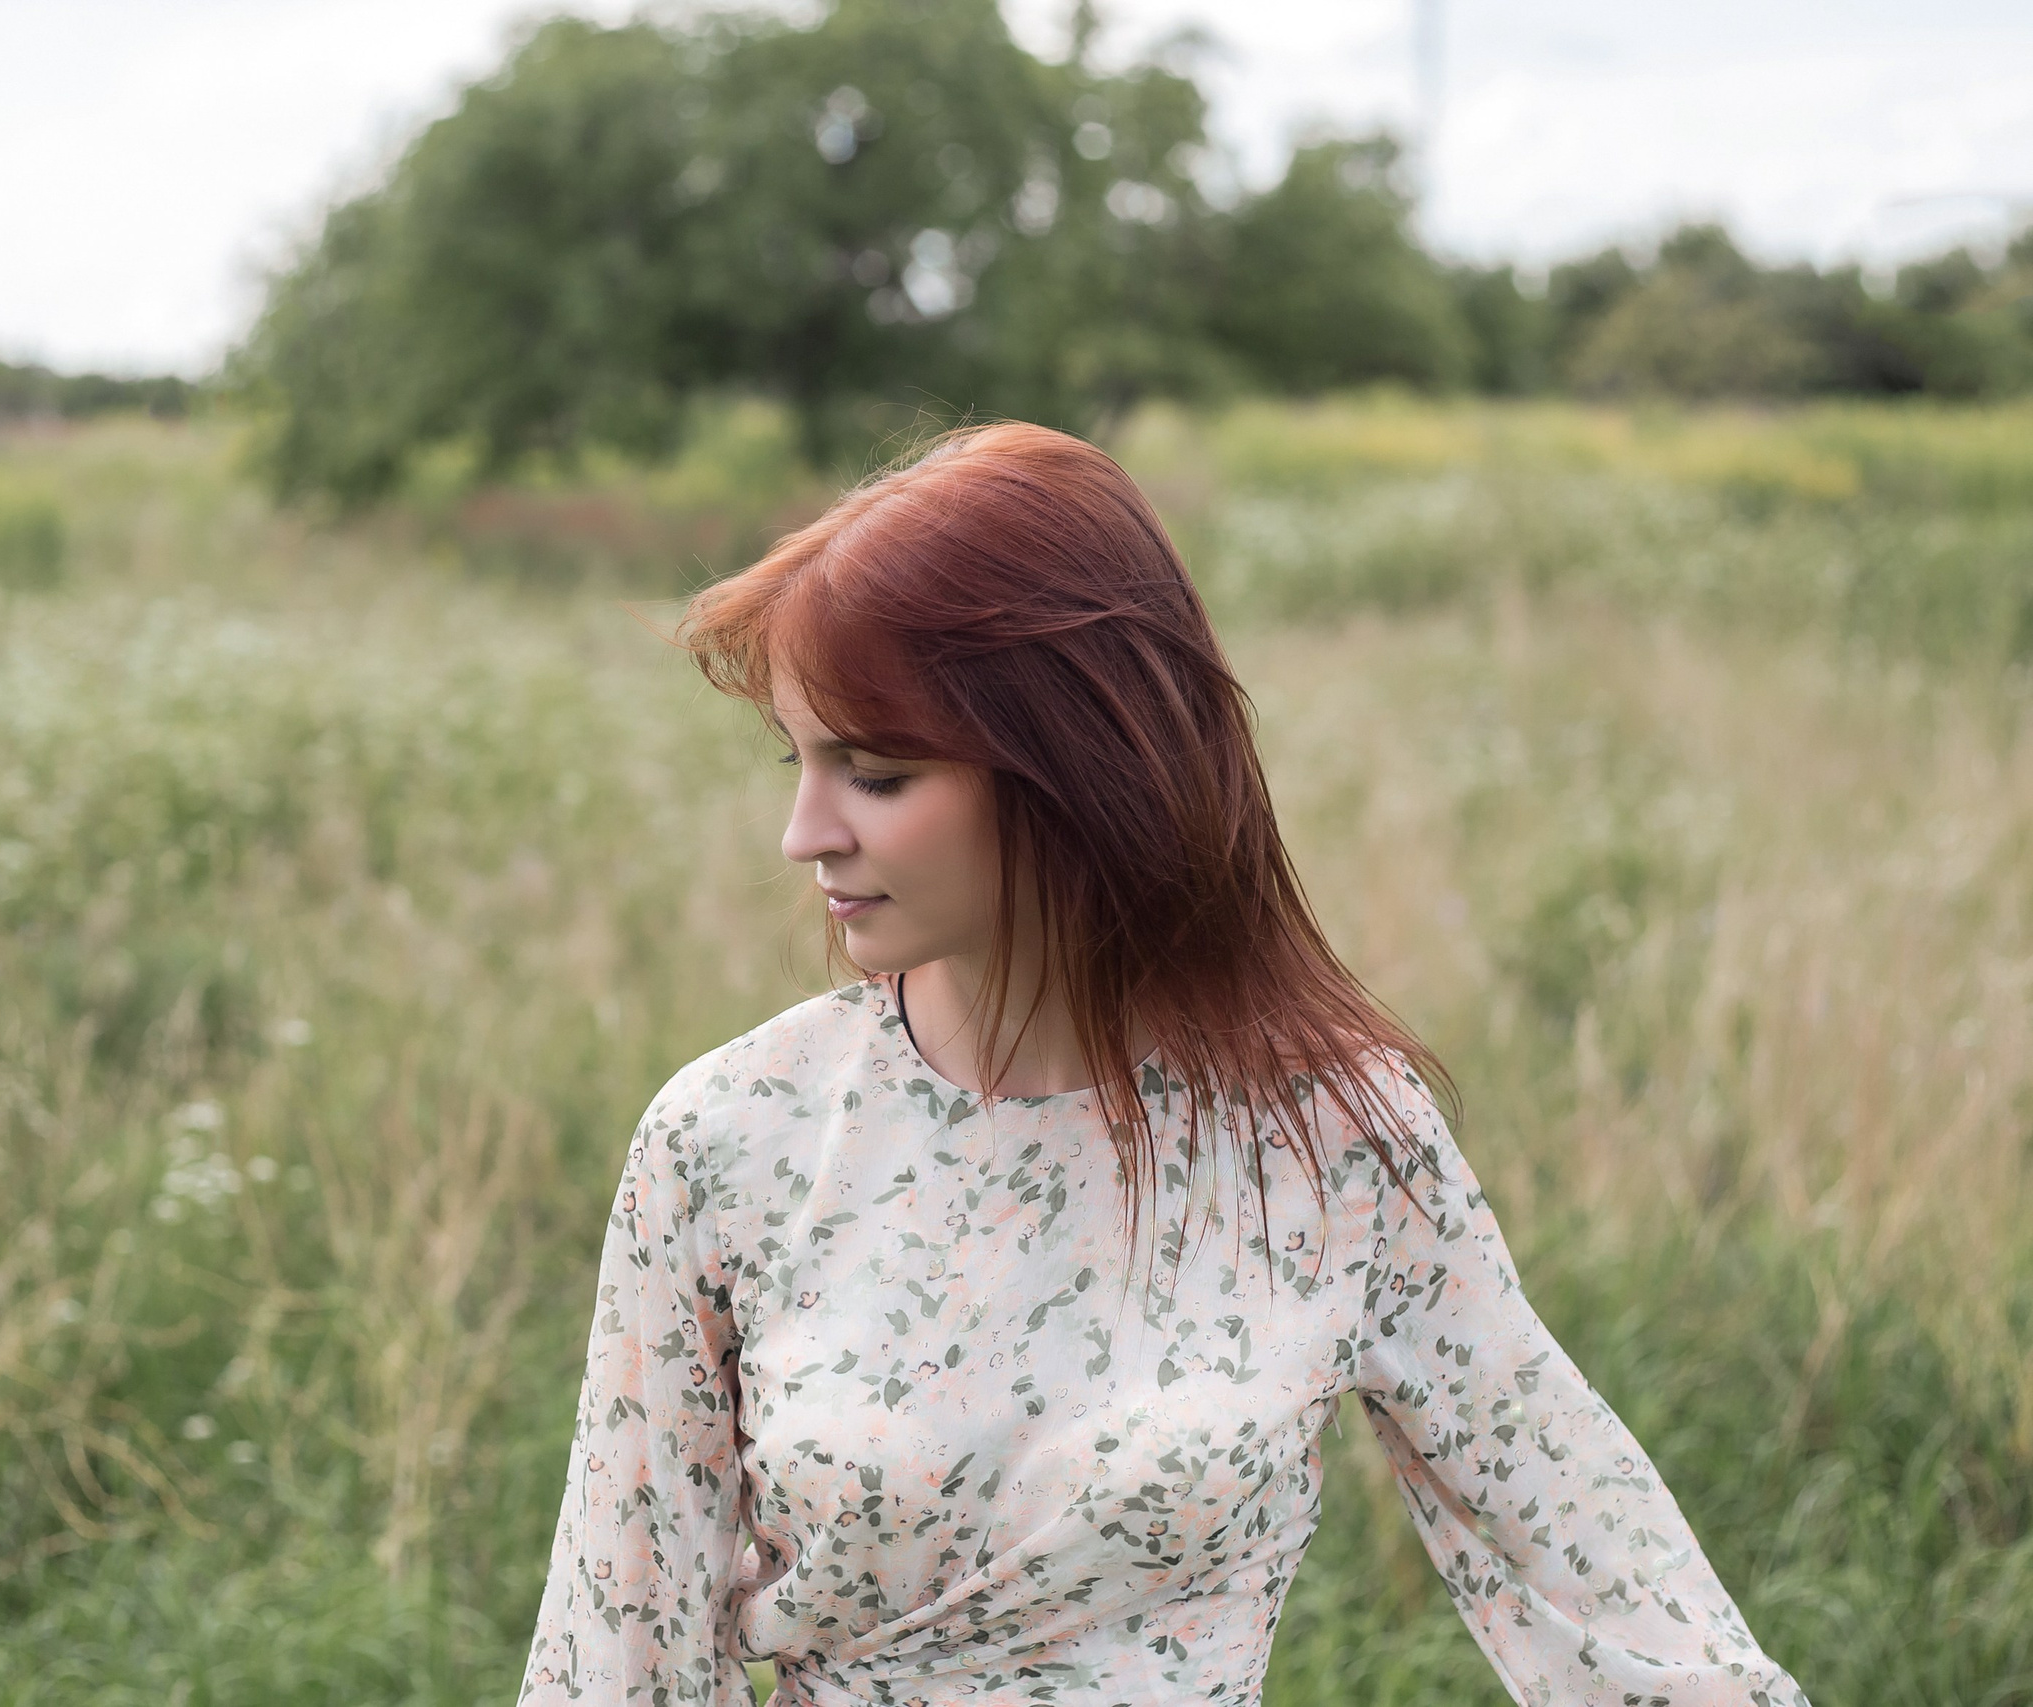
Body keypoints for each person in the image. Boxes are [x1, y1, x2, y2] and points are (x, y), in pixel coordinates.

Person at [519, 423, 1806, 1706]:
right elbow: (619, 1644)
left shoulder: (1331, 1133)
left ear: (1075, 759)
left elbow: (1596, 1568)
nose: (804, 833)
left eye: (878, 774)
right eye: (797, 762)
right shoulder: (733, 1136)